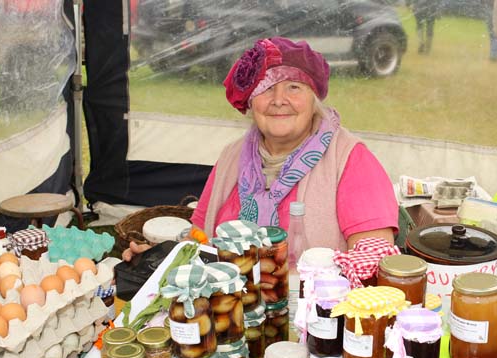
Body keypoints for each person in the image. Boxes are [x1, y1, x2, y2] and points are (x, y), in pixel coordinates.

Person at [123, 37, 398, 261]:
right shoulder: (233, 155)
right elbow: (199, 237)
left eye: (294, 87)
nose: (279, 101)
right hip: (229, 306)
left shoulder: (349, 159)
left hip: (312, 313)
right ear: (250, 103)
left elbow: (374, 257)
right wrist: (162, 257)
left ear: (314, 99)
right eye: (266, 89)